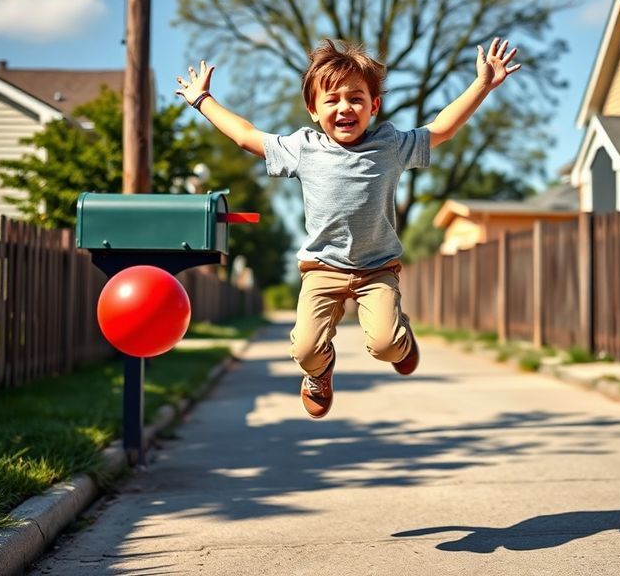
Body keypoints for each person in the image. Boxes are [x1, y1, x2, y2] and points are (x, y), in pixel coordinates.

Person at [176, 37, 519, 419]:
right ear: (313, 110)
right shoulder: (303, 148)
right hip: (322, 268)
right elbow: (246, 136)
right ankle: (319, 374)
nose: (345, 107)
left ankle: (402, 340)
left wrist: (482, 85)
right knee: (305, 350)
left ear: (374, 106)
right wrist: (202, 100)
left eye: (356, 98)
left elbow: (441, 128)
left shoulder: (390, 145)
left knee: (387, 345)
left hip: (377, 268)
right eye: (332, 100)